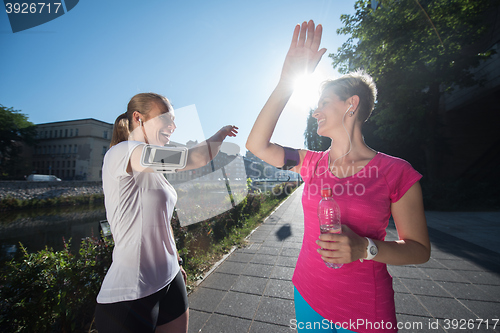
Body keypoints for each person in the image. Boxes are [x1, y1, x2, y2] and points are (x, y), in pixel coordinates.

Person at [246, 21, 430, 333]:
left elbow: (419, 250)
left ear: (351, 105)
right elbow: (257, 145)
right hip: (307, 294)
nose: (315, 111)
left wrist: (366, 249)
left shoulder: (396, 172)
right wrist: (286, 81)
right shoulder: (311, 163)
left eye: (324, 103)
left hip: (364, 312)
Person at [95, 92, 238, 333]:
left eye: (174, 120)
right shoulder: (124, 152)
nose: (173, 126)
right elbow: (195, 157)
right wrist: (220, 134)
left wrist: (177, 260)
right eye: (165, 119)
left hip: (171, 278)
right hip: (132, 292)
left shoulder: (153, 168)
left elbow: (161, 221)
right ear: (138, 118)